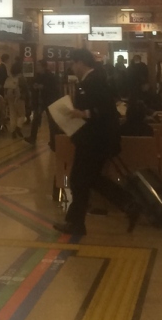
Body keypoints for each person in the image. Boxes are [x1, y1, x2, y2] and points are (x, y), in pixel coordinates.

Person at [52, 48, 132, 237]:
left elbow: (105, 109)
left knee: (79, 180)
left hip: (95, 140)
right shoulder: (93, 80)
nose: (72, 68)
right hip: (95, 139)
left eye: (73, 64)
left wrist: (84, 113)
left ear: (80, 62)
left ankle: (76, 223)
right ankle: (129, 203)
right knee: (89, 179)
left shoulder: (94, 81)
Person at [29, 60, 61, 144]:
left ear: (43, 66)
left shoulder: (50, 76)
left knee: (51, 121)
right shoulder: (38, 76)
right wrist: (35, 87)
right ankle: (32, 138)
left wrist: (43, 87)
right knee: (36, 119)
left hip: (49, 100)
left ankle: (53, 140)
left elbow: (54, 89)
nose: (37, 67)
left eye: (38, 65)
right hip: (41, 101)